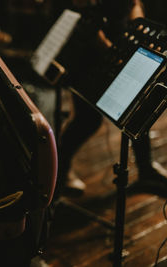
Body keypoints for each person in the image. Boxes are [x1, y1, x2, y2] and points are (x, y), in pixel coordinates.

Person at [56, 0, 167, 197]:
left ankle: (145, 168)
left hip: (121, 35)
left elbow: (133, 3)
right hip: (90, 53)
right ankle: (58, 171)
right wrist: (113, 51)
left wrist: (139, 31)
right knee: (87, 120)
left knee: (138, 108)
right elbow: (86, 18)